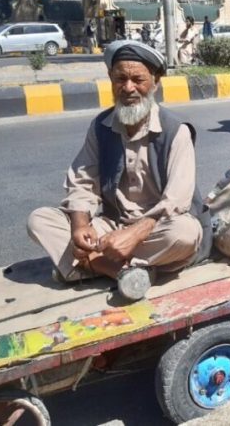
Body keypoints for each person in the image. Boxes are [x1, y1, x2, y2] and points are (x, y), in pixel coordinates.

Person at [27, 41, 211, 300]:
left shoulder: (176, 131)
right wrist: (80, 226)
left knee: (185, 233)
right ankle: (123, 271)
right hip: (112, 226)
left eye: (138, 80)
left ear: (155, 82)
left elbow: (176, 201)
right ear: (111, 80)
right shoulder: (101, 126)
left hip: (157, 228)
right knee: (40, 220)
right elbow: (82, 182)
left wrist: (133, 235)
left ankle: (87, 265)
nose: (128, 88)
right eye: (120, 79)